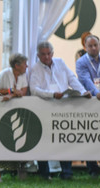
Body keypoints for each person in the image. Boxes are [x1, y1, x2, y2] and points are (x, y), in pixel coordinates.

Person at [30, 41, 91, 180]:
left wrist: (82, 92)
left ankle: (67, 172)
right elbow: (34, 89)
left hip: (63, 107)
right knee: (43, 141)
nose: (46, 57)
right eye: (43, 55)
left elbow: (72, 79)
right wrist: (51, 95)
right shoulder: (35, 68)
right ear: (38, 55)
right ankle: (45, 174)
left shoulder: (60, 62)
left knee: (64, 140)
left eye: (49, 54)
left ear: (53, 53)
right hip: (45, 108)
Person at [0, 53, 29, 182]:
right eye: (24, 64)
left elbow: (23, 92)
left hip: (16, 113)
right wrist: (11, 91)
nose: (27, 66)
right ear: (17, 65)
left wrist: (12, 95)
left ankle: (17, 172)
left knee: (15, 141)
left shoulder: (23, 76)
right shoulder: (4, 74)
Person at [76, 35, 100, 177]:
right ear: (85, 47)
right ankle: (92, 169)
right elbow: (85, 80)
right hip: (90, 103)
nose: (93, 48)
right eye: (90, 46)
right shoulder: (81, 62)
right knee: (90, 137)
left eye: (95, 45)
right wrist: (96, 92)